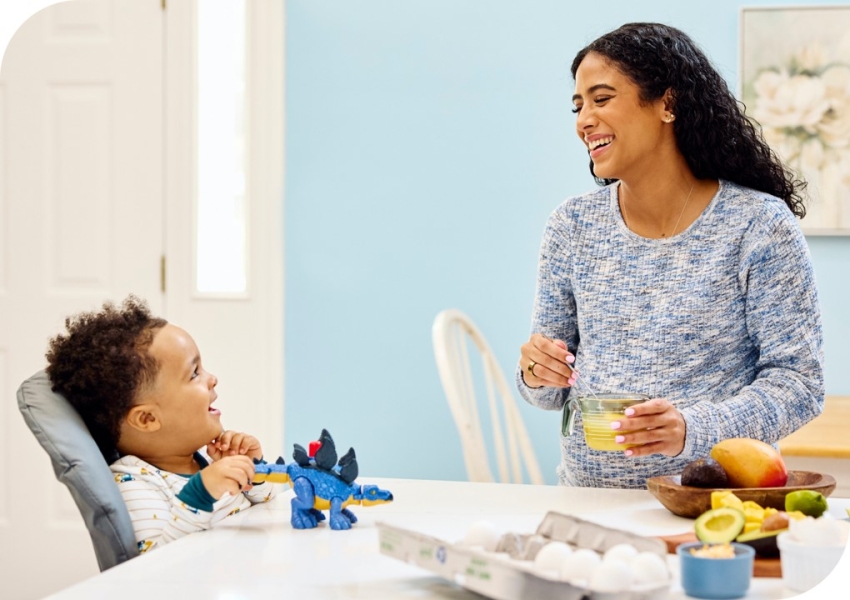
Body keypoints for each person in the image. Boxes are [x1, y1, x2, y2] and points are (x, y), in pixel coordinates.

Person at [516, 22, 824, 489]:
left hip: (714, 505)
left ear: (668, 103)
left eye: (601, 99)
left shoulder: (758, 225)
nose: (583, 120)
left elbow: (799, 383)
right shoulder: (572, 226)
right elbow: (551, 392)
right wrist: (536, 372)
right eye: (578, 106)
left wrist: (689, 429)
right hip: (589, 503)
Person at [46, 296, 281, 553]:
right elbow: (158, 563)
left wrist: (255, 472)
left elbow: (267, 507)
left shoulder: (202, 462)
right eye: (194, 373)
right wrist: (200, 494)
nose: (213, 379)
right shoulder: (136, 483)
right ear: (147, 419)